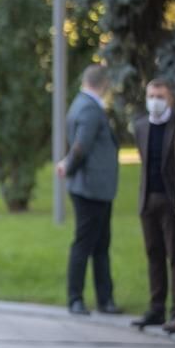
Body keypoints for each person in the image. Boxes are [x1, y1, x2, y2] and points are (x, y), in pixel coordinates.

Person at [58, 64, 121, 316]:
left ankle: (105, 299)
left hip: (95, 188)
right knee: (85, 245)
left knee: (100, 245)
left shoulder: (80, 103)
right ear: (104, 83)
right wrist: (69, 167)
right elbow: (81, 147)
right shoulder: (90, 108)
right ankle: (76, 299)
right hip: (90, 188)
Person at [132, 78, 175, 328]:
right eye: (151, 96)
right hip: (148, 198)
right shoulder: (140, 126)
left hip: (171, 199)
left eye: (160, 96)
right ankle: (156, 307)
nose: (155, 101)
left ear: (169, 98)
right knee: (154, 254)